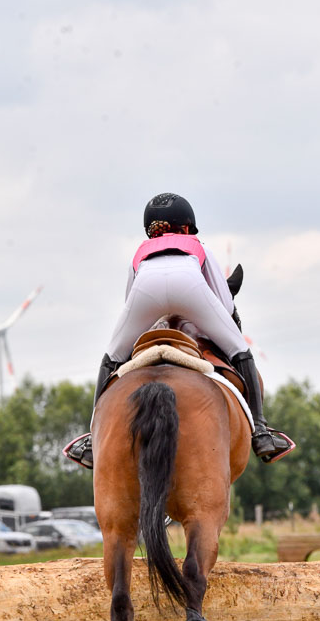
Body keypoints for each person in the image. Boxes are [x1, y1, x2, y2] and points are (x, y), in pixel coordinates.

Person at [66, 192, 293, 468]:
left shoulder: (140, 252)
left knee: (111, 357)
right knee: (241, 350)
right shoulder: (199, 246)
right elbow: (224, 302)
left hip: (145, 293)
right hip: (190, 288)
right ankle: (260, 432)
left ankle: (91, 441)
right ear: (186, 227)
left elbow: (130, 300)